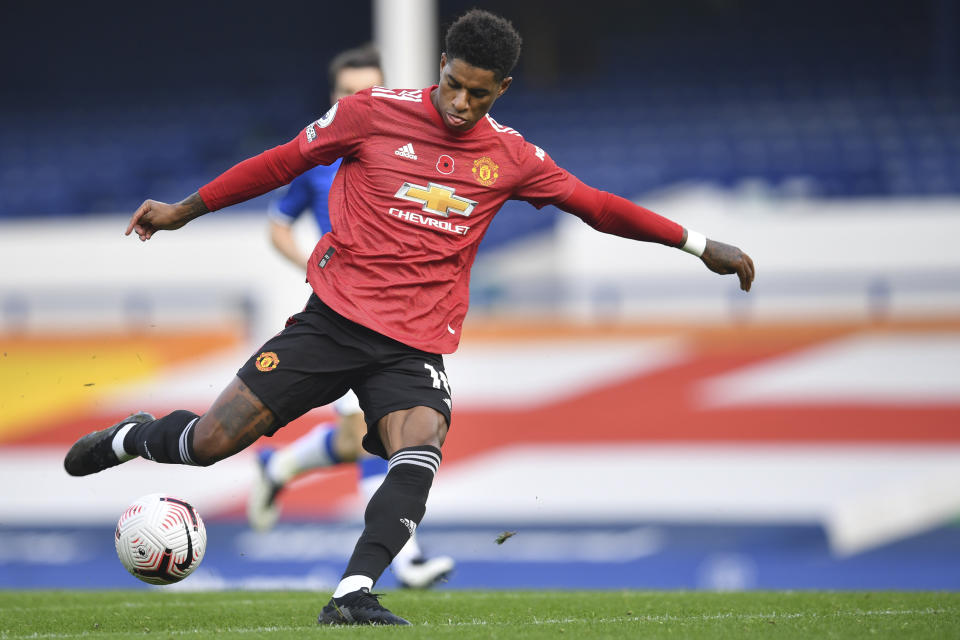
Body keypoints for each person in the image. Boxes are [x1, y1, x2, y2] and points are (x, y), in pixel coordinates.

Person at [64, 9, 755, 626]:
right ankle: (131, 439)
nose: (459, 102)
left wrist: (699, 245)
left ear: (501, 91)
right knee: (211, 444)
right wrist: (186, 209)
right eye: (453, 83)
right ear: (441, 68)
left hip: (412, 346)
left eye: (478, 93)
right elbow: (281, 163)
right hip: (331, 321)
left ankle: (354, 594)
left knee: (421, 445)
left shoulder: (512, 158)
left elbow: (598, 205)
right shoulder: (370, 113)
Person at [249, 44, 455, 589]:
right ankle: (406, 561)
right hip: (340, 311)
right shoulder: (317, 159)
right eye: (348, 92)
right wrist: (310, 265)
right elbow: (277, 224)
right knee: (373, 429)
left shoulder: (406, 152)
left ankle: (279, 468)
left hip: (399, 316)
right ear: (333, 98)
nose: (359, 100)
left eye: (369, 89)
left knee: (363, 433)